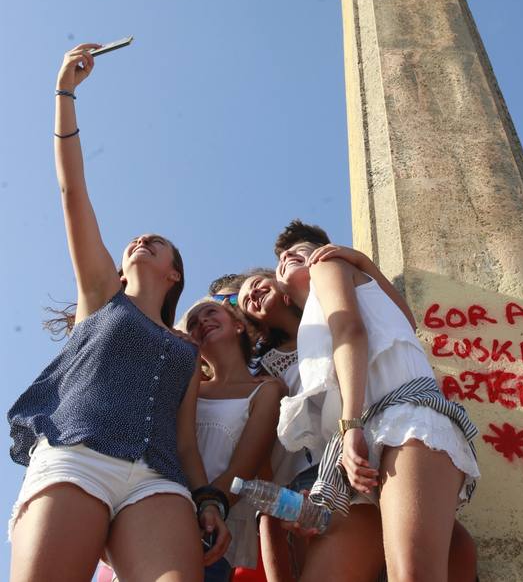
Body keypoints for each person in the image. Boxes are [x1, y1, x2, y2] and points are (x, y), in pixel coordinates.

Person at [7, 44, 230, 582]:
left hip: (158, 480)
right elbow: (72, 191)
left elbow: (184, 442)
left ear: (174, 274)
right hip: (76, 454)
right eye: (137, 239)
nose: (142, 240)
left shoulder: (186, 351)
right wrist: (65, 92)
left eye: (158, 242)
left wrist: (207, 499)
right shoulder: (101, 295)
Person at [238, 249, 478, 582]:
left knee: (412, 573)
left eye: (302, 250)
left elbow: (354, 332)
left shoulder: (327, 266)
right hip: (353, 458)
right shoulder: (307, 337)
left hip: (402, 420)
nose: (288, 254)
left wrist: (362, 262)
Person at [179, 297, 286, 582]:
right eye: (193, 323)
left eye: (210, 312)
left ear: (238, 325)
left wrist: (209, 507)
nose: (202, 321)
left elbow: (244, 468)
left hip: (213, 528)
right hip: (163, 513)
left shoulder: (267, 390)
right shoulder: (190, 387)